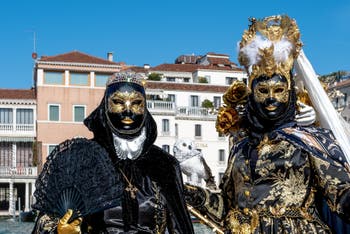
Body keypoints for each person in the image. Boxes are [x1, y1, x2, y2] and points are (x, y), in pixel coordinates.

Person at [184, 15, 350, 233]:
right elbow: (226, 205)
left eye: (279, 91)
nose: (271, 98)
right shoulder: (242, 147)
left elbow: (341, 194)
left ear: (290, 95)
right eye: (263, 91)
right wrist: (184, 190)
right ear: (252, 95)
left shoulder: (311, 141)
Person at [32, 72, 194, 233]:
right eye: (118, 102)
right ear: (106, 106)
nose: (128, 111)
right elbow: (45, 223)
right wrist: (61, 231)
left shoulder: (163, 164)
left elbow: (179, 226)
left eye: (136, 103)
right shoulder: (82, 159)